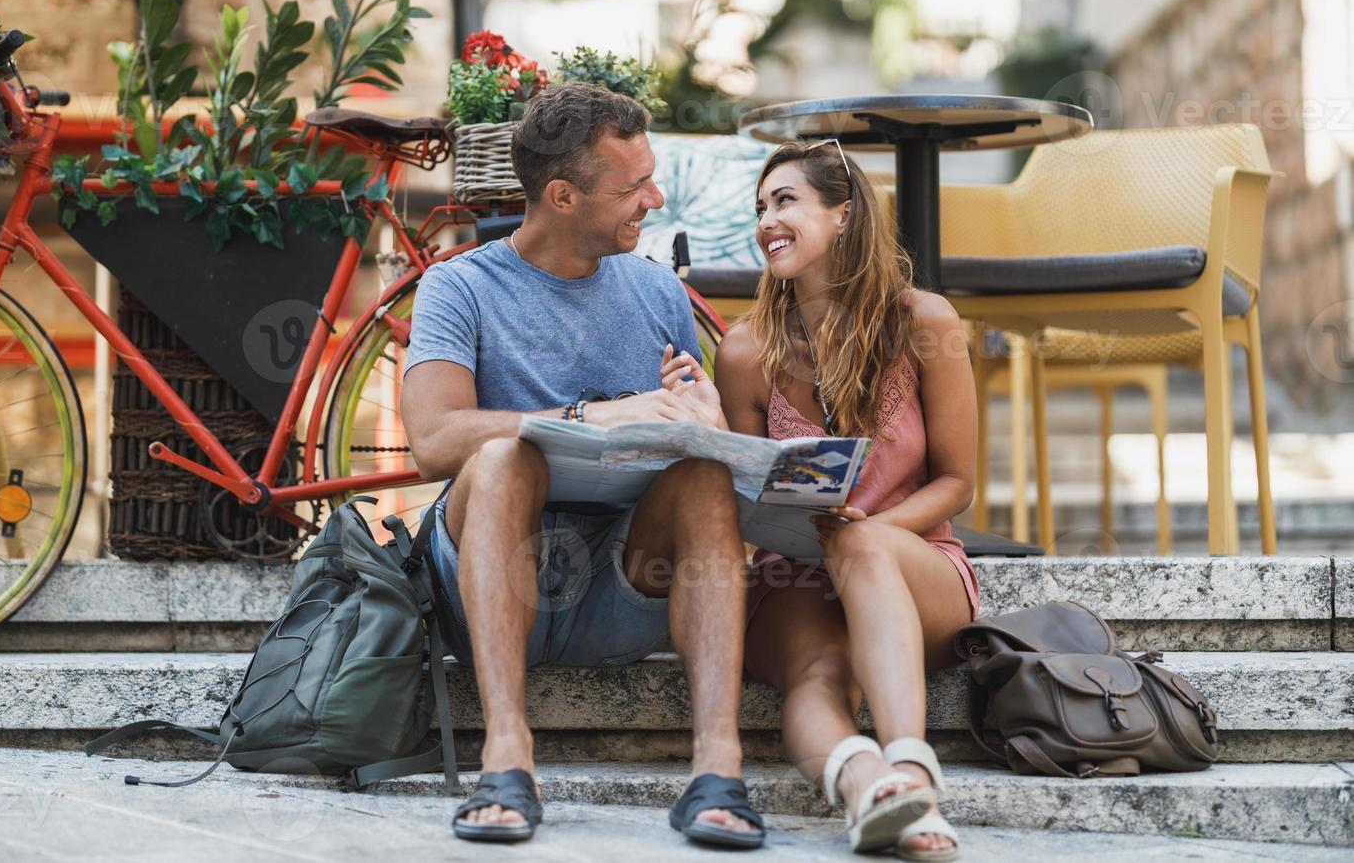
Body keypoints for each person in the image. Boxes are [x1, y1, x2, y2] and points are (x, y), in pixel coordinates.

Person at [401, 82, 764, 848]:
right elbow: (432, 441)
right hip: (495, 587)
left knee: (701, 475)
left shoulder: (657, 288)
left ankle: (718, 768)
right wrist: (589, 417)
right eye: (634, 188)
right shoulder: (457, 285)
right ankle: (507, 755)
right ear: (562, 194)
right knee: (502, 459)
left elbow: (702, 429)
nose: (656, 200)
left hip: (621, 590)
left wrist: (707, 421)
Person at [706, 140, 980, 860]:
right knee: (818, 674)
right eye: (760, 208)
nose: (767, 220)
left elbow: (958, 482)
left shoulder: (926, 323)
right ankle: (869, 791)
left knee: (859, 546)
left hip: (916, 565)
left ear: (843, 215)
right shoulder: (744, 352)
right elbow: (744, 490)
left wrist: (863, 533)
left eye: (786, 201)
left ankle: (913, 770)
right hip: (791, 573)